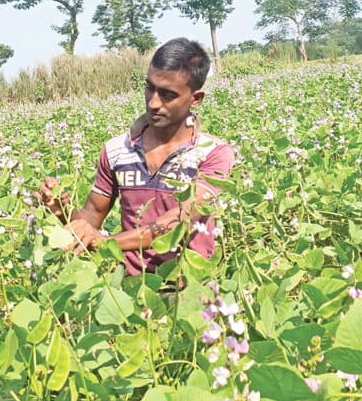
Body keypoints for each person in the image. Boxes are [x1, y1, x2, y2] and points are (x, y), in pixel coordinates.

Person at [38, 38, 235, 275]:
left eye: (168, 95)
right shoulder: (116, 150)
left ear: (196, 99)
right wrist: (64, 211)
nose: (153, 103)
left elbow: (182, 220)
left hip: (192, 292)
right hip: (133, 289)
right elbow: (92, 218)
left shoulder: (212, 154)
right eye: (150, 88)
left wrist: (106, 242)